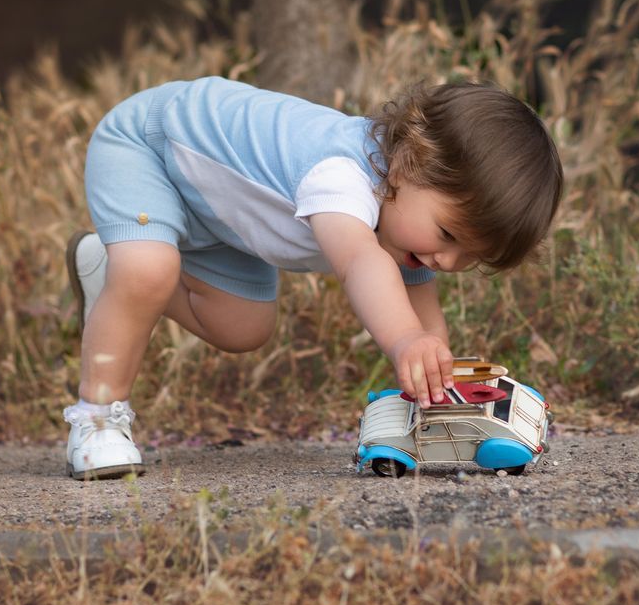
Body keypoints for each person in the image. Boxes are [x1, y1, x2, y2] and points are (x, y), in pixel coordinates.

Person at [62, 76, 563, 479]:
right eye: (449, 234)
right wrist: (404, 339)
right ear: (412, 161)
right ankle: (97, 419)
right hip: (150, 147)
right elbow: (359, 264)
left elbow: (422, 320)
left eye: (469, 257)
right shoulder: (342, 173)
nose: (449, 262)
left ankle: (109, 277)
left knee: (242, 329)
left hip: (222, 215)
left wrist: (434, 378)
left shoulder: (409, 225)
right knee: (148, 271)